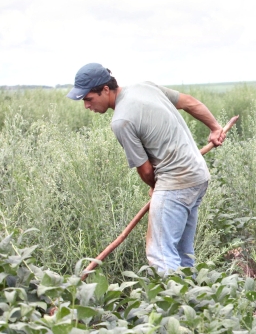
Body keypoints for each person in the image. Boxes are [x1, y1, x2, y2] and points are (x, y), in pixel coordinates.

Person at [66, 63, 226, 272]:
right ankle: (193, 301)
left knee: (161, 255)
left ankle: (176, 301)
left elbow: (147, 171)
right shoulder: (145, 87)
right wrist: (215, 128)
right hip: (198, 175)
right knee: (181, 253)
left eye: (88, 99)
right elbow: (190, 102)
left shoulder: (121, 121)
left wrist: (155, 187)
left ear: (105, 89)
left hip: (176, 183)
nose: (86, 106)